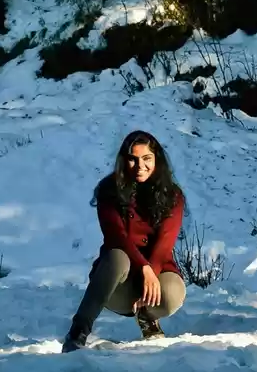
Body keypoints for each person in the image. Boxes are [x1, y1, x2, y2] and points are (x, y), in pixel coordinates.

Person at [61, 130, 186, 352]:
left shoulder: (173, 196)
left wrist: (152, 273)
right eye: (133, 159)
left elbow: (165, 244)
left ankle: (147, 317)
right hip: (117, 280)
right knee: (118, 256)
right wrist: (144, 269)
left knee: (174, 294)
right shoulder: (109, 191)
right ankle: (78, 331)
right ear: (123, 160)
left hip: (156, 275)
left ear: (156, 159)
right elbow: (115, 235)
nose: (140, 166)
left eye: (146, 158)